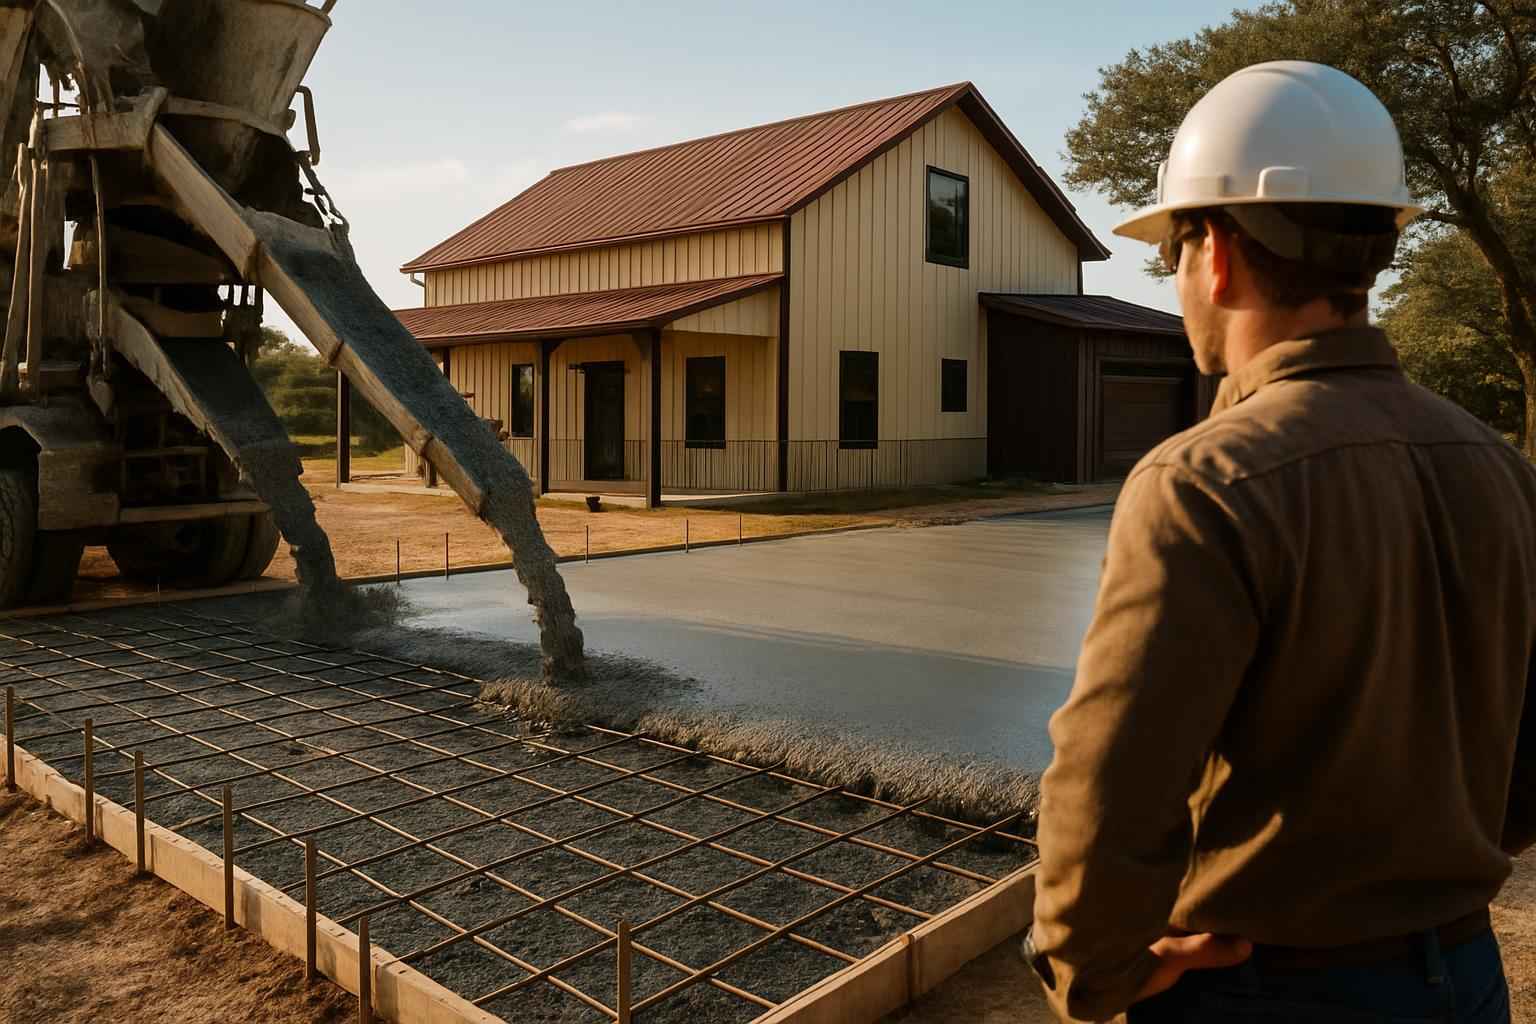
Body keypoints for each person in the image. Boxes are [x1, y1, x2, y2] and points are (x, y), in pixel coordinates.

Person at [1024, 60, 1536, 1023]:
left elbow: (1112, 783)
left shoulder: (1201, 482)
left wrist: (1094, 971)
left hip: (1259, 985)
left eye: (1170, 252)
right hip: (1462, 980)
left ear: (1214, 249)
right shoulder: (1502, 469)